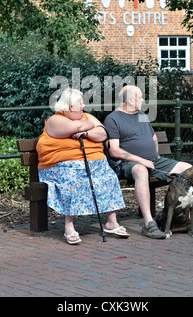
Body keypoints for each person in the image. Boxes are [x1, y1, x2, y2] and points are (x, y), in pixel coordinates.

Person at [36, 88, 129, 244]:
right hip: (62, 167)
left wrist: (86, 133)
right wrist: (89, 125)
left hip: (95, 165)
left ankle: (111, 222)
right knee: (74, 181)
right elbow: (76, 127)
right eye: (80, 103)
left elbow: (103, 134)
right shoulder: (55, 120)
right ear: (70, 106)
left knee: (109, 177)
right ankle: (69, 225)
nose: (84, 105)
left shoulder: (86, 117)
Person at [103, 85, 193, 239]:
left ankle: (183, 220)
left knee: (188, 169)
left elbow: (153, 138)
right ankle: (149, 223)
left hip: (153, 161)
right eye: (140, 97)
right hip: (128, 164)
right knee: (140, 170)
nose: (143, 100)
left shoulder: (141, 115)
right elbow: (114, 151)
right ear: (130, 100)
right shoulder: (113, 119)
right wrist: (142, 160)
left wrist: (155, 156)